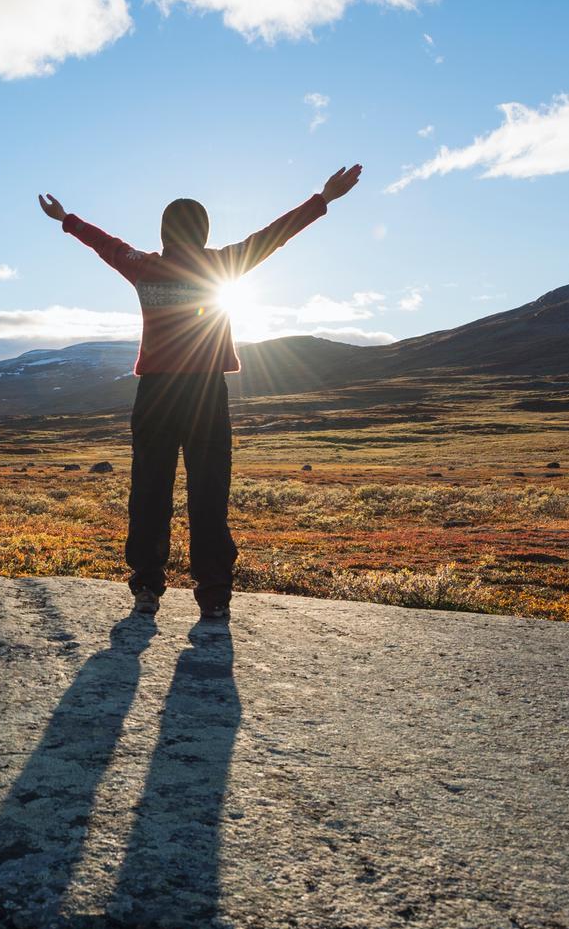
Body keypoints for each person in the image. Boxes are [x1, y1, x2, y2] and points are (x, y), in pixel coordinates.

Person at [38, 166, 362, 619]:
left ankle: (147, 586)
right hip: (207, 393)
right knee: (210, 492)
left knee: (150, 490)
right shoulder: (221, 264)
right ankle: (213, 595)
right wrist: (323, 198)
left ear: (165, 232)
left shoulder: (143, 266)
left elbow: (105, 245)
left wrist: (66, 219)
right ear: (204, 231)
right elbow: (275, 235)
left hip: (156, 394)